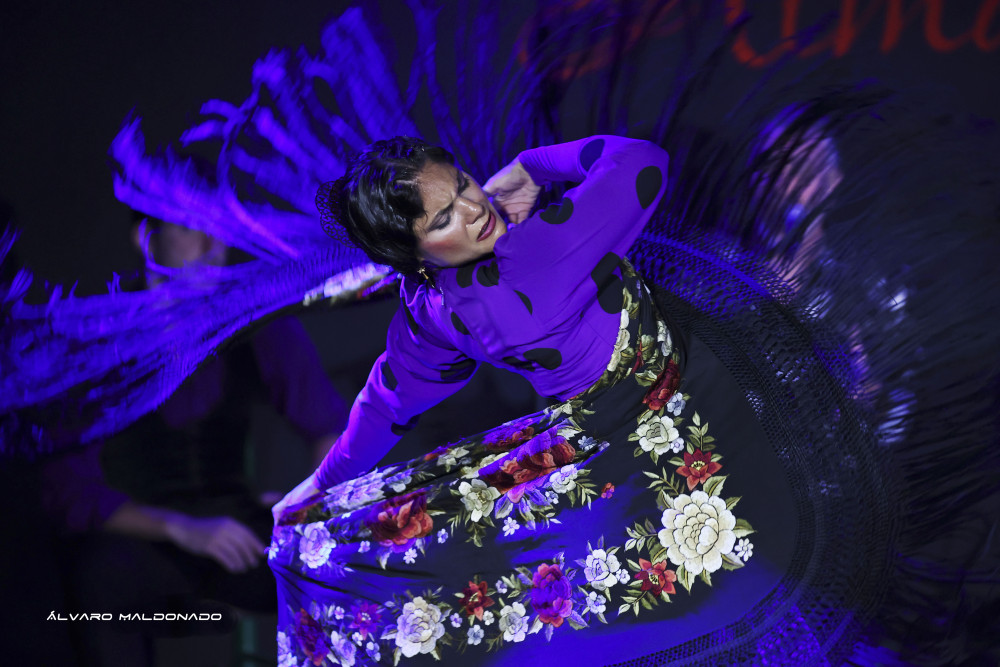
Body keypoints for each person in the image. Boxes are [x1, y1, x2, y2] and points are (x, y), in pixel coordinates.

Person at [267, 135, 805, 666]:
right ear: (414, 254)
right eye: (442, 220)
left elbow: (386, 406)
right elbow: (642, 161)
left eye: (461, 185)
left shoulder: (430, 306)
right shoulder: (536, 256)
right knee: (763, 595)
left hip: (607, 451)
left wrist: (318, 485)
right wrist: (531, 167)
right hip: (683, 428)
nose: (474, 207)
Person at [40, 216, 349, 666]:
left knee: (340, 567)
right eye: (190, 227)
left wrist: (308, 502)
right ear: (146, 238)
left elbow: (329, 425)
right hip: (141, 538)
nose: (210, 246)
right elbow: (67, 491)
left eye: (222, 231)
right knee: (95, 585)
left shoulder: (254, 324)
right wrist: (180, 528)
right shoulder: (95, 341)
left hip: (235, 530)